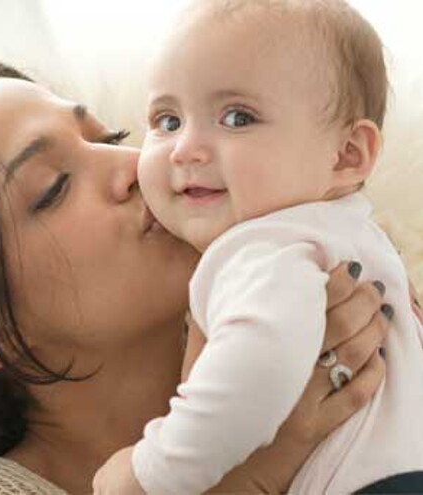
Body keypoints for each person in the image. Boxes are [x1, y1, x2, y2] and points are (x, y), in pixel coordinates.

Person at [0, 60, 400, 495]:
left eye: (114, 137)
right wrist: (248, 479)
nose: (136, 168)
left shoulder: (320, 288)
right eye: (52, 188)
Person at [93, 1, 423, 494]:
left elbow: (258, 365)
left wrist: (150, 473)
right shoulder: (340, 232)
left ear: (346, 155)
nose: (184, 148)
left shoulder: (262, 243)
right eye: (166, 121)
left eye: (237, 117)